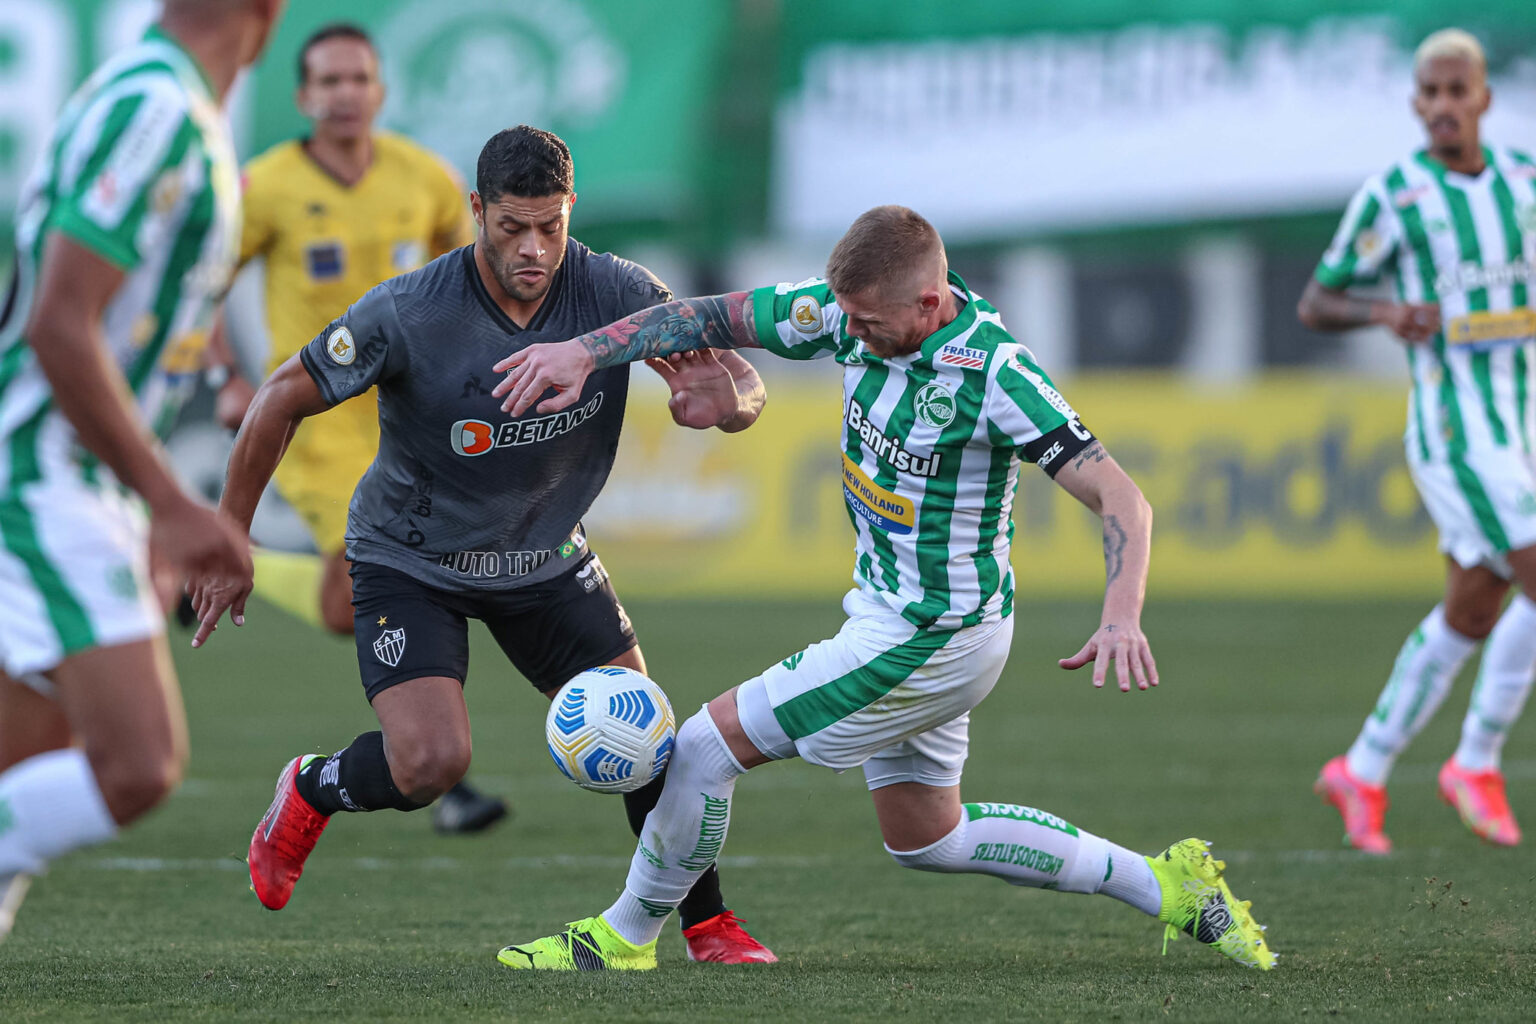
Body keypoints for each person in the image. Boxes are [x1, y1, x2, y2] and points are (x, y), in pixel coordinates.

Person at [490, 205, 1276, 972]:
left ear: (929, 302)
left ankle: (624, 937)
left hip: (929, 636)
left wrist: (1121, 617)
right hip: (902, 615)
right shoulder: (845, 310)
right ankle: (1166, 883)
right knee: (929, 838)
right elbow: (707, 318)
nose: (849, 334)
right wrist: (588, 354)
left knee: (700, 748)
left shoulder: (996, 372)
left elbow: (1123, 498)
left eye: (867, 323)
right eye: (845, 317)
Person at [188, 125, 777, 963]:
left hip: (544, 557)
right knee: (430, 764)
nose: (534, 250)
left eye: (551, 226)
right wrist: (229, 537)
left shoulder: (616, 292)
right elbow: (280, 396)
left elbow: (740, 378)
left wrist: (726, 401)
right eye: (512, 229)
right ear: (476, 212)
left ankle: (708, 923)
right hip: (408, 558)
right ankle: (311, 787)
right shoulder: (409, 310)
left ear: (571, 209)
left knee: (647, 740)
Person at [0, 0, 285, 942]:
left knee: (29, 764)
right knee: (137, 763)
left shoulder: (165, 104)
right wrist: (168, 503)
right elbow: (58, 321)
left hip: (78, 479)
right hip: (45, 473)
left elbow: (128, 328)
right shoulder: (157, 110)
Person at [200, 22, 505, 834]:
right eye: (328, 82)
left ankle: (242, 564)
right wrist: (228, 377)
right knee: (399, 571)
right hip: (321, 425)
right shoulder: (263, 185)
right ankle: (442, 769)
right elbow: (202, 284)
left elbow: (470, 277)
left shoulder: (424, 180)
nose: (344, 95)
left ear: (380, 91)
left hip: (415, 419)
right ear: (303, 97)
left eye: (357, 80)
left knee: (350, 608)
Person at [1301, 29, 1536, 853]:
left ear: (1482, 99)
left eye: (1455, 91)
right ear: (1416, 104)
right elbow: (1317, 301)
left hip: (1523, 423)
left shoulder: (1523, 184)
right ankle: (1474, 760)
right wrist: (1384, 313)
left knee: (1473, 611)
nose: (1442, 107)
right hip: (1455, 433)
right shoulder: (1395, 196)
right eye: (1428, 94)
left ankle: (1360, 769)